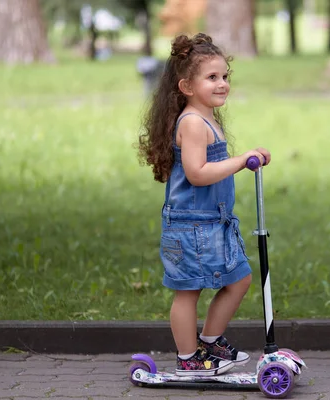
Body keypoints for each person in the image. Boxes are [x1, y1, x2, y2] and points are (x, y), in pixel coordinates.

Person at [137, 33, 271, 377]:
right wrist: (242, 161)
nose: (222, 83)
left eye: (225, 76)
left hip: (214, 221)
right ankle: (187, 358)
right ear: (186, 86)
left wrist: (248, 157)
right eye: (212, 78)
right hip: (190, 225)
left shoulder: (208, 117)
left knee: (239, 279)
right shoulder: (194, 122)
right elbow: (197, 174)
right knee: (187, 291)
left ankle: (209, 341)